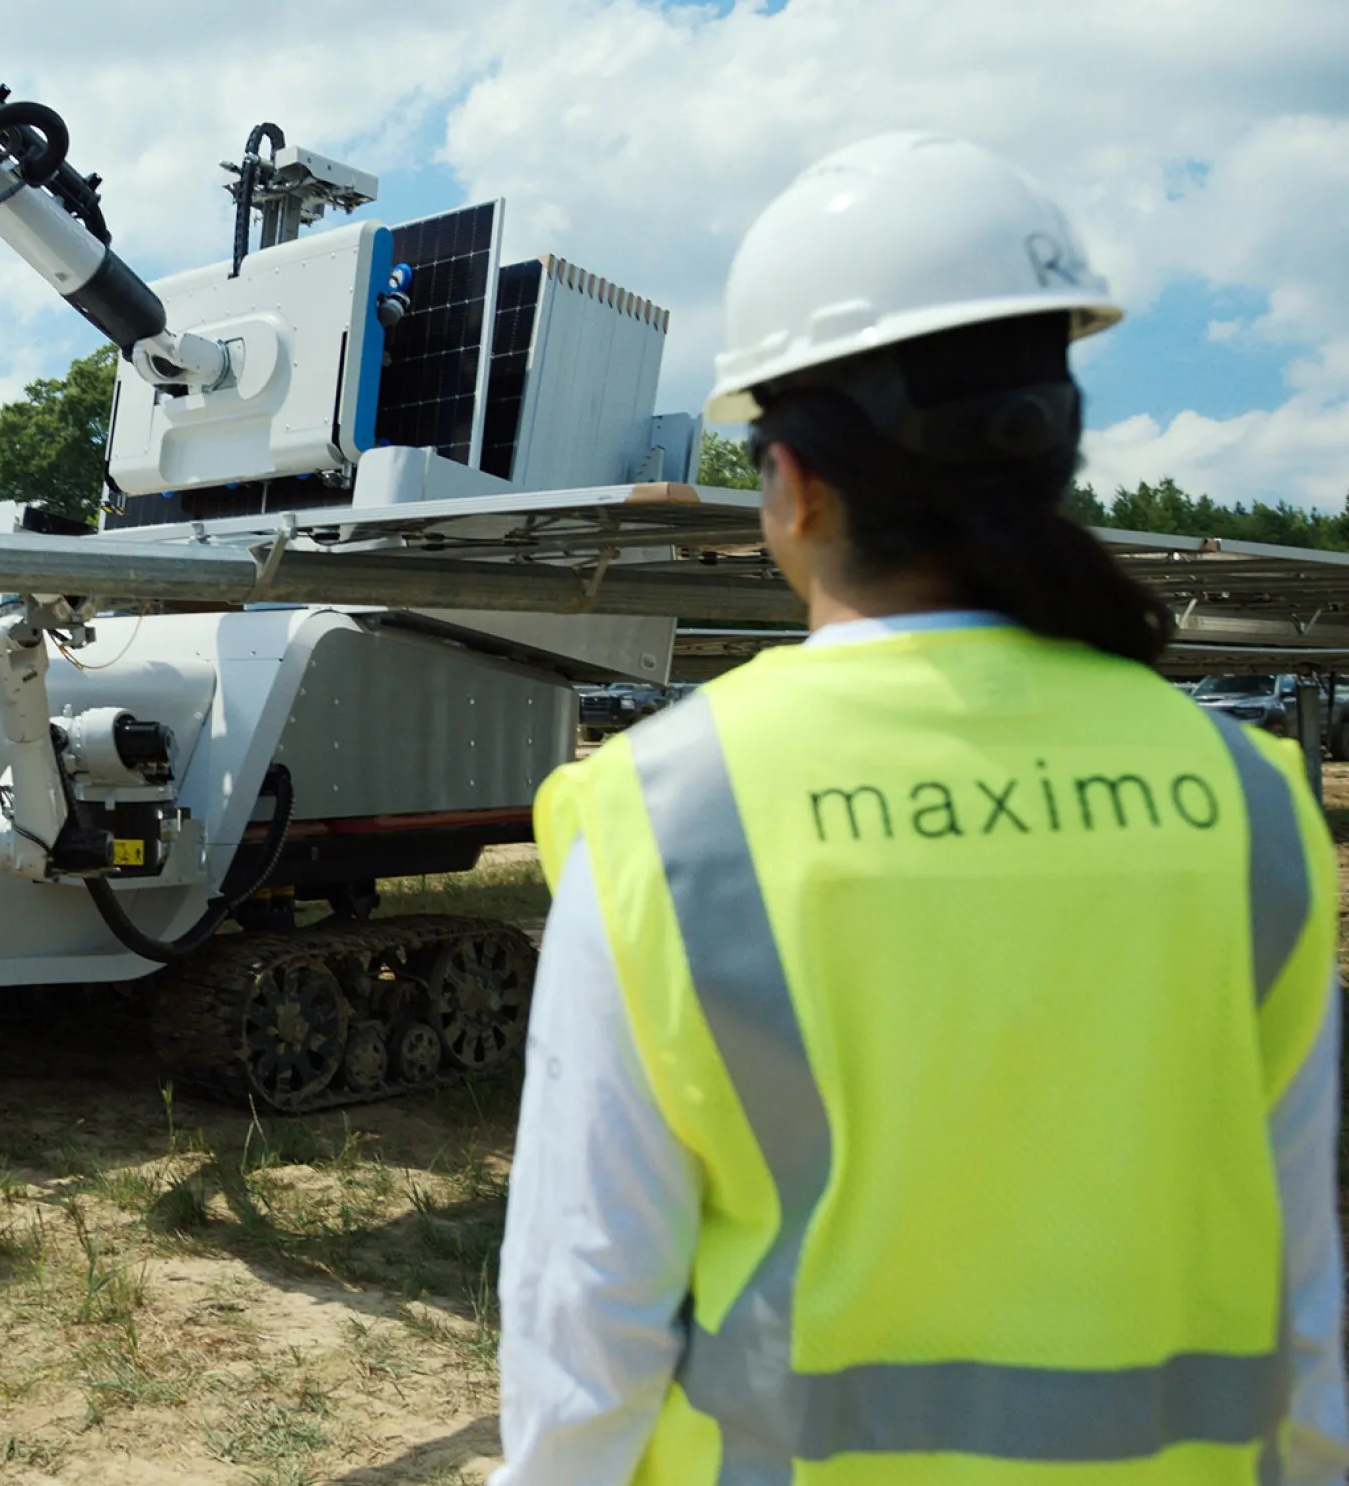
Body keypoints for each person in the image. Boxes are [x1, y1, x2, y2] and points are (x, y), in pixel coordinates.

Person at [494, 132, 1349, 1484]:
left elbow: (582, 1330)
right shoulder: (1245, 803)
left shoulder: (674, 813)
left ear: (793, 481)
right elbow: (1310, 1311)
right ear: (1055, 442)